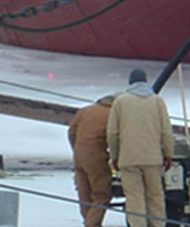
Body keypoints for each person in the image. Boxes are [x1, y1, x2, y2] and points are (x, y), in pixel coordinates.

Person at [108, 69, 174, 227]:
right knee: (155, 196)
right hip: (152, 159)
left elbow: (112, 133)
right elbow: (166, 131)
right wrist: (168, 154)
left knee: (134, 198)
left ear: (130, 82)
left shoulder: (121, 102)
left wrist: (115, 156)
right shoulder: (157, 101)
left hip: (128, 159)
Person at [68, 94, 116, 226]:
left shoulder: (84, 111)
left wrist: (77, 149)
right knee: (101, 195)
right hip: (97, 157)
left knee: (85, 194)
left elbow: (71, 132)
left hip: (79, 157)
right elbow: (114, 138)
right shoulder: (112, 114)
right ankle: (92, 224)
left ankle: (87, 220)